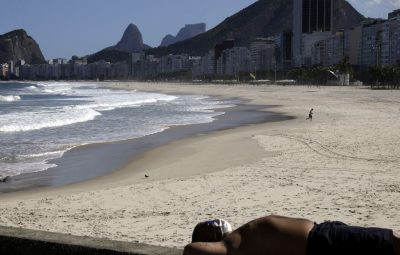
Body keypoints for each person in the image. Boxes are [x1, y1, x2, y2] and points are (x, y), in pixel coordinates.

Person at [183, 215, 400, 255]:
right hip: (322, 241)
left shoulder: (239, 240)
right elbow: (190, 250)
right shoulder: (230, 246)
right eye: (209, 225)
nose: (214, 222)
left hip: (322, 233)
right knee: (388, 242)